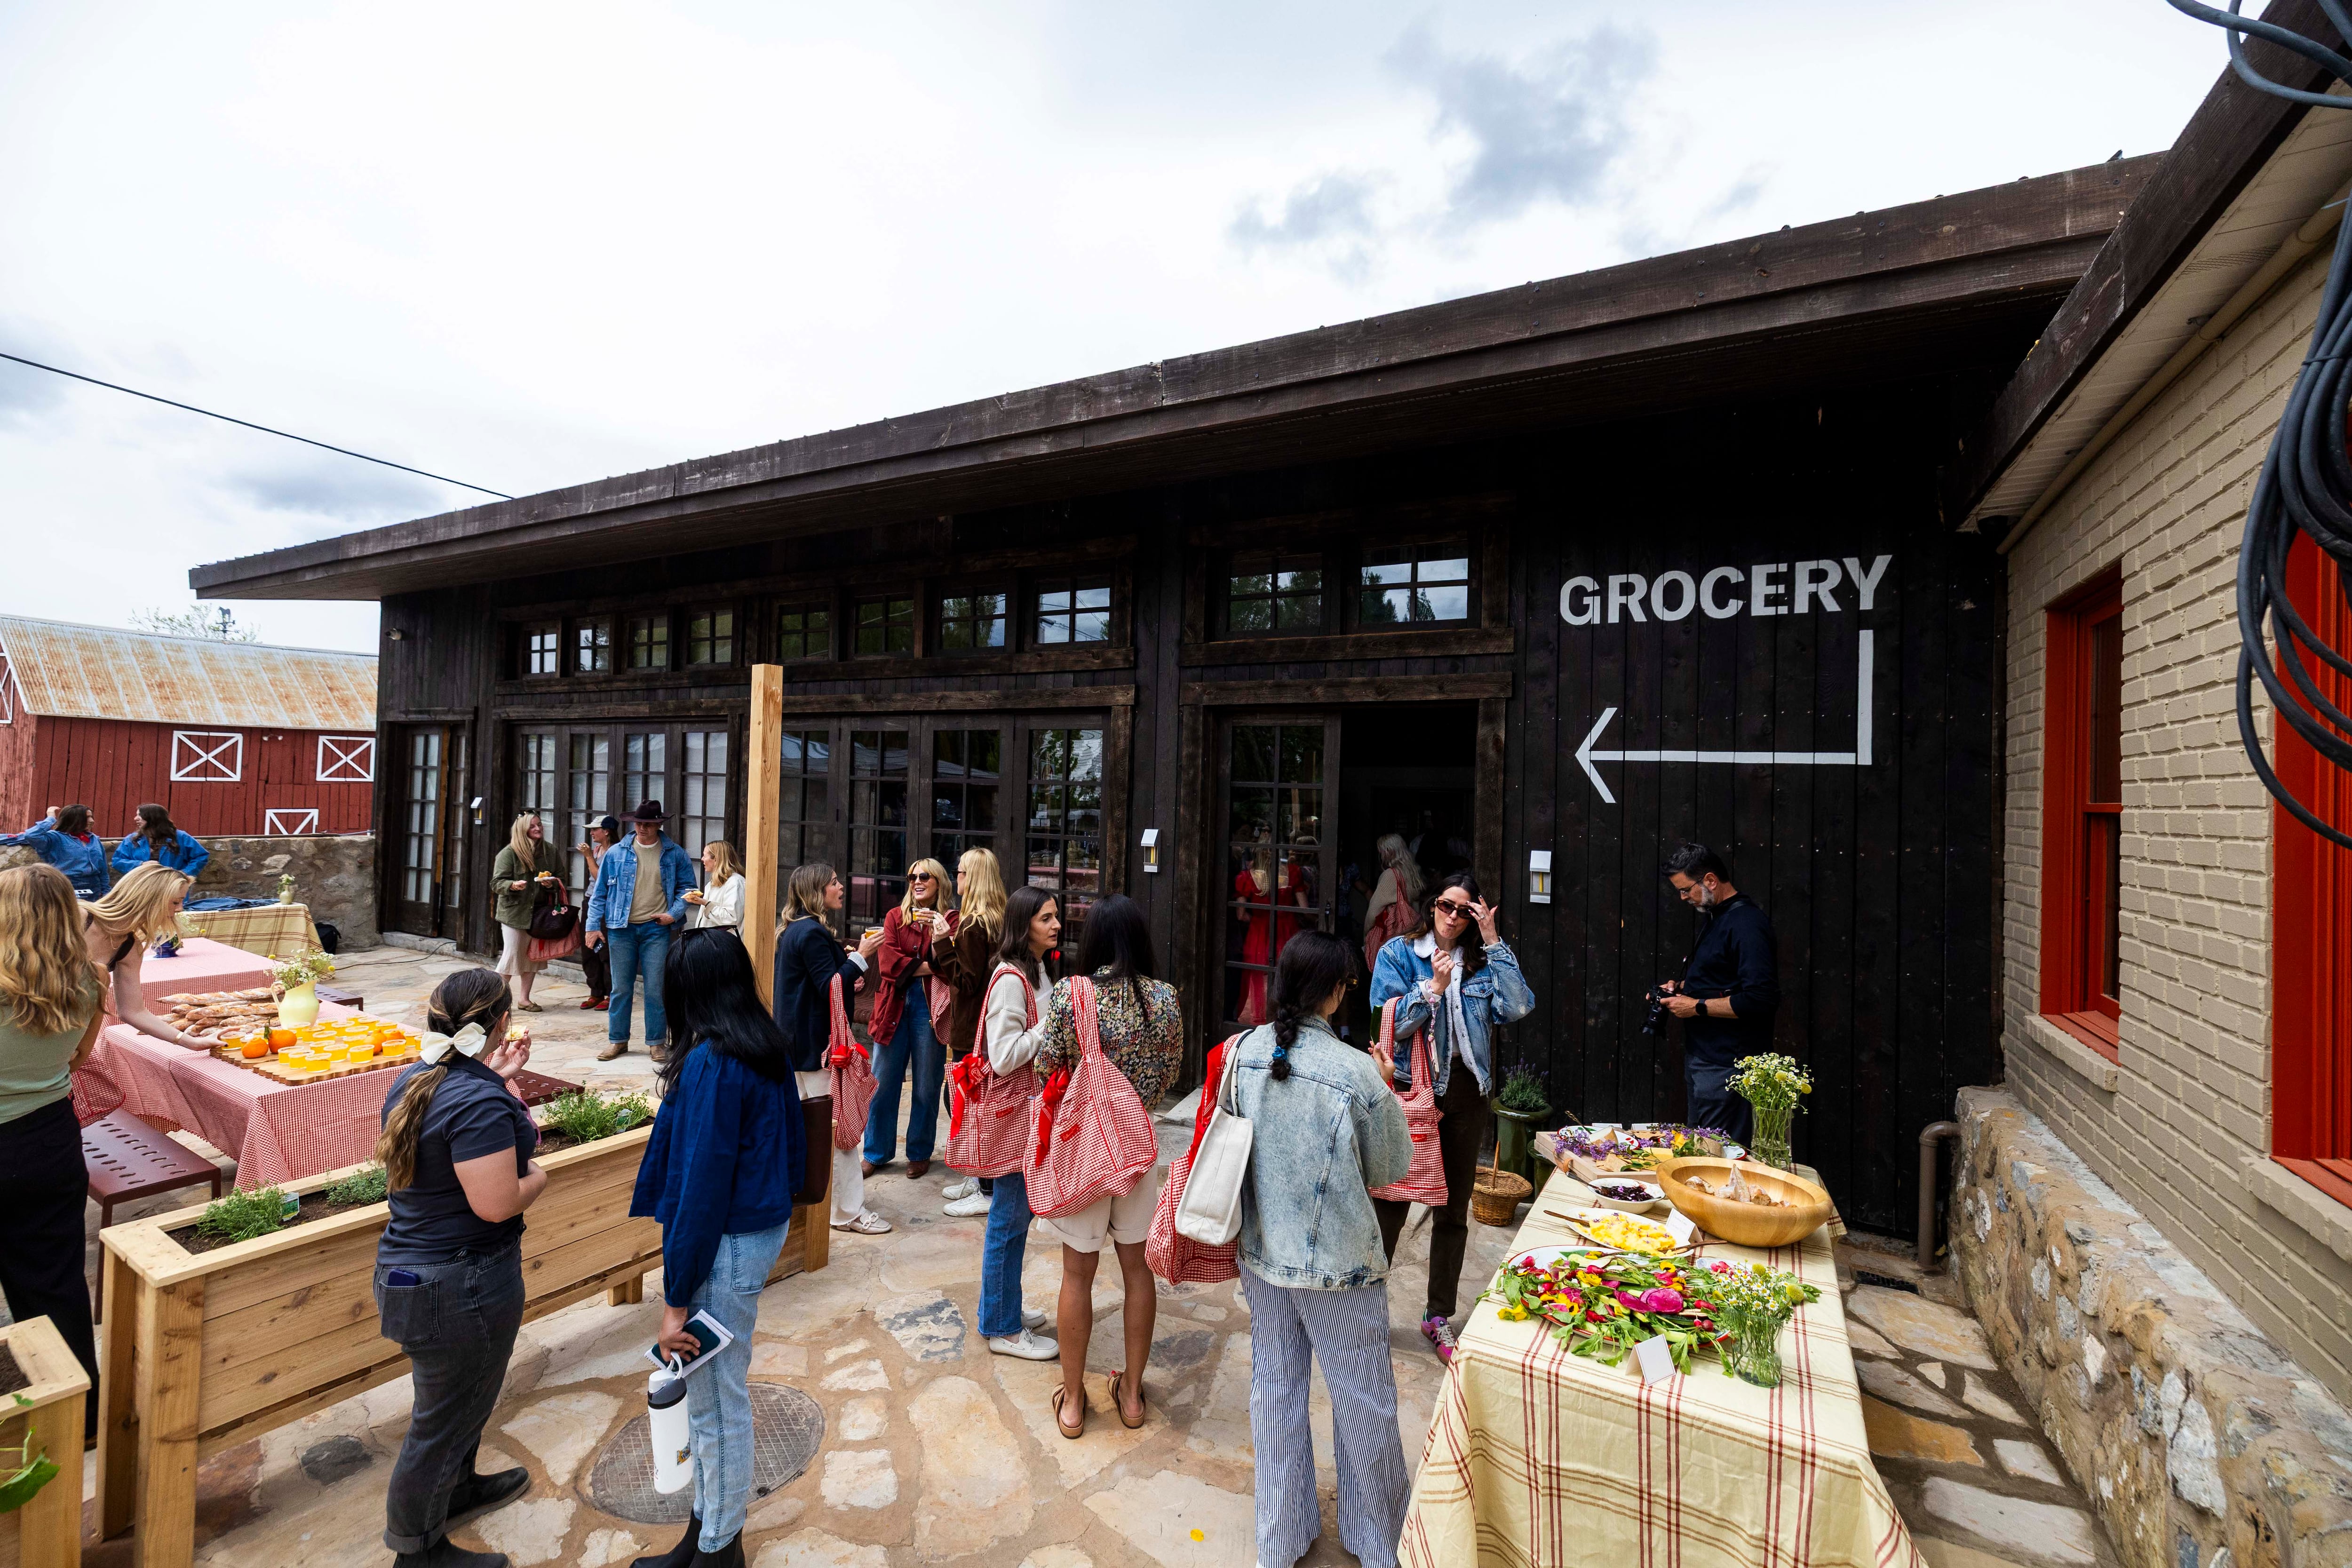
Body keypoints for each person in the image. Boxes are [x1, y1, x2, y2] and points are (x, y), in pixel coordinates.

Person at [1228, 931, 1413, 1568]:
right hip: (1341, 1265)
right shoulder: (1354, 1070)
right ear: (1333, 993)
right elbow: (1393, 1165)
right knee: (1363, 1402)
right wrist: (1388, 1087)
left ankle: (1281, 1540)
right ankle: (1382, 1544)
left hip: (1263, 1254)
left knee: (1275, 1390)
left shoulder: (1242, 1053)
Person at [629, 929, 805, 1568]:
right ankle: (705, 1532)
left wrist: (676, 1299)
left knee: (714, 1404)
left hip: (724, 1244)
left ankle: (719, 1548)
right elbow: (789, 1154)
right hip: (755, 1231)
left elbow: (700, 1190)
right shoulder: (762, 1046)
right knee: (715, 1397)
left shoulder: (711, 1062)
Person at [372, 967, 540, 1568]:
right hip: (459, 1282)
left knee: (460, 1401)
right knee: (438, 1424)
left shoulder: (417, 1078)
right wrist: (537, 1177)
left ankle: (459, 1487)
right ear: (499, 1023)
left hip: (415, 1271)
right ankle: (417, 1552)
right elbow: (496, 1203)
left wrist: (500, 1078)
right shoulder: (476, 1100)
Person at [1368, 868, 1535, 1362]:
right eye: (1446, 905)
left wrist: (1493, 940)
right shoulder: (1398, 954)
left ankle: (1437, 1316)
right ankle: (1366, 1312)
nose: (1453, 917)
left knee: (1453, 1211)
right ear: (1432, 904)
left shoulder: (1483, 962)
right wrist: (1432, 990)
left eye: (1466, 910)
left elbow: (1519, 1006)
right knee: (1392, 1204)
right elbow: (1389, 1022)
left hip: (1466, 1093)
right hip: (1412, 1091)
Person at [1033, 894, 1179, 1433]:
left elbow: (1047, 1064)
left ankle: (1072, 1404)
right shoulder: (1164, 998)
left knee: (1077, 1274)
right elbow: (1170, 1074)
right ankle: (1133, 1398)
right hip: (1136, 1149)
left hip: (1084, 1152)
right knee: (1138, 1273)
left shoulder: (1074, 996)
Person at [0, 865, 109, 1440]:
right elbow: (77, 1060)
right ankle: (81, 1420)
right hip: (47, 1138)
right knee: (56, 1283)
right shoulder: (90, 977)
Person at [771, 862, 888, 1234]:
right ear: (817, 891)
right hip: (819, 1048)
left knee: (812, 1128)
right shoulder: (811, 933)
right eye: (835, 882)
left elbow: (818, 983)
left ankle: (815, 1201)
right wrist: (861, 956)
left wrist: (845, 959)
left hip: (796, 1047)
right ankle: (849, 1212)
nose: (841, 887)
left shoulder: (798, 930)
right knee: (839, 1131)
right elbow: (829, 986)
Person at [977, 886, 1060, 1364]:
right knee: (1008, 1219)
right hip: (1015, 1114)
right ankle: (1002, 1328)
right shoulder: (1011, 978)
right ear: (1023, 923)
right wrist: (1048, 1029)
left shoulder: (1037, 969)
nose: (1055, 926)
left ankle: (1002, 1307)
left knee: (1016, 1217)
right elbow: (1003, 1056)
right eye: (1046, 918)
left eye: (1055, 918)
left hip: (1030, 1111)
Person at [1657, 842, 1780, 1145]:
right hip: (1704, 1058)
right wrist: (1680, 989)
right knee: (1701, 1150)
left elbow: (1761, 998)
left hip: (1729, 1065)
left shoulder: (1746, 924)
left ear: (1710, 880)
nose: (1683, 897)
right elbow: (1724, 979)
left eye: (1686, 889)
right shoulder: (1717, 916)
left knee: (1718, 1157)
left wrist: (1696, 1006)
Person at [583, 801, 699, 1064]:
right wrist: (592, 927)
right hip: (620, 928)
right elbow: (599, 893)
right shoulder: (616, 853)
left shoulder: (675, 853)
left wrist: (674, 914)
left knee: (656, 988)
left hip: (657, 928)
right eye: (638, 824)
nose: (642, 828)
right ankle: (618, 1041)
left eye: (648, 824)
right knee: (621, 988)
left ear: (659, 825)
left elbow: (688, 890)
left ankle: (656, 1043)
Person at [861, 857, 948, 1179]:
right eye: (912, 876)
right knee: (883, 1082)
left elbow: (948, 964)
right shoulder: (895, 917)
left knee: (927, 1083)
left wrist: (938, 938)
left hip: (929, 1004)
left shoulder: (946, 919)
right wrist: (929, 967)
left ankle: (919, 1151)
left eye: (924, 875)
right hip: (893, 1005)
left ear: (938, 881)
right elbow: (888, 964)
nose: (916, 881)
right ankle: (876, 1152)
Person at [932, 848, 1006, 1218]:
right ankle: (977, 1177)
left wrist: (944, 942)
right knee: (972, 1103)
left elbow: (965, 979)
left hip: (974, 1028)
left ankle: (986, 1187)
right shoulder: (996, 919)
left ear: (972, 877)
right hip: (988, 1026)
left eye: (959, 872)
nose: (955, 878)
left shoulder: (975, 925)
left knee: (967, 1105)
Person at [81, 861, 206, 1048]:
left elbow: (134, 1012)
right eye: (175, 902)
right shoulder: (80, 917)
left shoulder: (129, 948)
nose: (180, 909)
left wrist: (193, 1042)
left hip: (67, 1033)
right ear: (151, 898)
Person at [489, 813, 564, 1013]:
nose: (538, 829)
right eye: (532, 827)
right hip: (514, 914)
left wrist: (552, 884)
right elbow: (497, 883)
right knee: (511, 956)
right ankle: (493, 1001)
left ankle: (524, 999)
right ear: (523, 830)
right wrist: (512, 885)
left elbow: (561, 878)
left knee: (534, 957)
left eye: (539, 825)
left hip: (539, 914)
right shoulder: (509, 853)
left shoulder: (550, 851)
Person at [1233, 845, 1310, 1025]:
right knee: (1288, 976)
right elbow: (1305, 909)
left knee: (1257, 979)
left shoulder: (1246, 877)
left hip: (1258, 933)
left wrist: (1259, 920)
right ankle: (1286, 1021)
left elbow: (1241, 914)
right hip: (1288, 931)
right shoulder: (1292, 871)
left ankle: (1257, 1021)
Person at [1, 804, 110, 898]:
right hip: (65, 884)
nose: (92, 821)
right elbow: (32, 835)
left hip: (93, 886)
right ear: (73, 819)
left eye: (92, 817)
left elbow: (103, 868)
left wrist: (106, 891)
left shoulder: (94, 839)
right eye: (87, 818)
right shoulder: (55, 838)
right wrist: (51, 818)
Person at [1359, 832, 1424, 972]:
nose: (1381, 856)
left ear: (1388, 852)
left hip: (1392, 937)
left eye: (1381, 852)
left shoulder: (1391, 875)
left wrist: (1366, 935)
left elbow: (1374, 912)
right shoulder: (1414, 873)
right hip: (1411, 935)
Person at [575, 816, 620, 1011]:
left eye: (595, 830)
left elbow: (600, 878)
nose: (592, 833)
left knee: (605, 950)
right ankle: (596, 991)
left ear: (607, 831)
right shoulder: (597, 849)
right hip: (590, 901)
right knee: (588, 948)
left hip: (607, 904)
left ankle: (610, 993)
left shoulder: (615, 852)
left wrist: (588, 857)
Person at [109, 803, 210, 879]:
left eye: (140, 816)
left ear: (153, 818)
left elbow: (201, 856)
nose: (136, 819)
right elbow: (118, 861)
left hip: (171, 888)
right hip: (140, 889)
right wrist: (141, 865)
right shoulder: (132, 840)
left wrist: (184, 874)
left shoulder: (181, 837)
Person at [684, 842, 745, 932]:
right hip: (711, 941)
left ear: (716, 859)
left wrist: (706, 904)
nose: (702, 859)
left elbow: (732, 919)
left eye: (705, 856)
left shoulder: (735, 883)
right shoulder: (712, 884)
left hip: (725, 943)